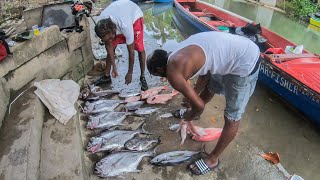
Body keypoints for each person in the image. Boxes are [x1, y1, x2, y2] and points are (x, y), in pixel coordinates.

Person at [147, 31, 261, 175]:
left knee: (232, 117)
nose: (162, 78)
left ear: (160, 69)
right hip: (230, 54)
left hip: (245, 62)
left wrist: (187, 117)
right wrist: (192, 96)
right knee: (210, 88)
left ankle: (213, 159)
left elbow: (199, 106)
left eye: (158, 75)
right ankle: (193, 113)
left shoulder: (172, 73)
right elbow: (204, 73)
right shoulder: (177, 51)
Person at [94, 0, 148, 90]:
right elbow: (109, 47)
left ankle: (142, 77)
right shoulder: (99, 25)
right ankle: (107, 76)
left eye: (111, 38)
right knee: (110, 46)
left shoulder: (125, 25)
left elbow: (131, 51)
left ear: (113, 31)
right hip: (119, 13)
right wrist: (114, 68)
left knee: (139, 48)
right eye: (106, 40)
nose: (109, 41)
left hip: (134, 17)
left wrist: (129, 73)